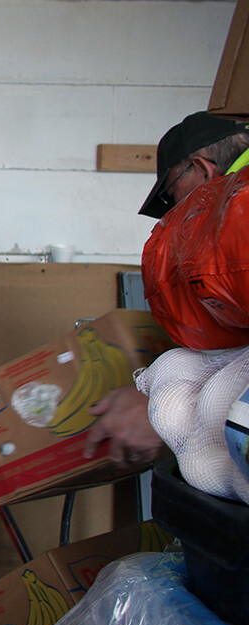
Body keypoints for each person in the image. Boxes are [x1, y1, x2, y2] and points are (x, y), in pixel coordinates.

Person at [86, 112, 249, 467]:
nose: (173, 214)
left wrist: (166, 413)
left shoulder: (242, 215)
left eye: (173, 195)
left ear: (203, 172)